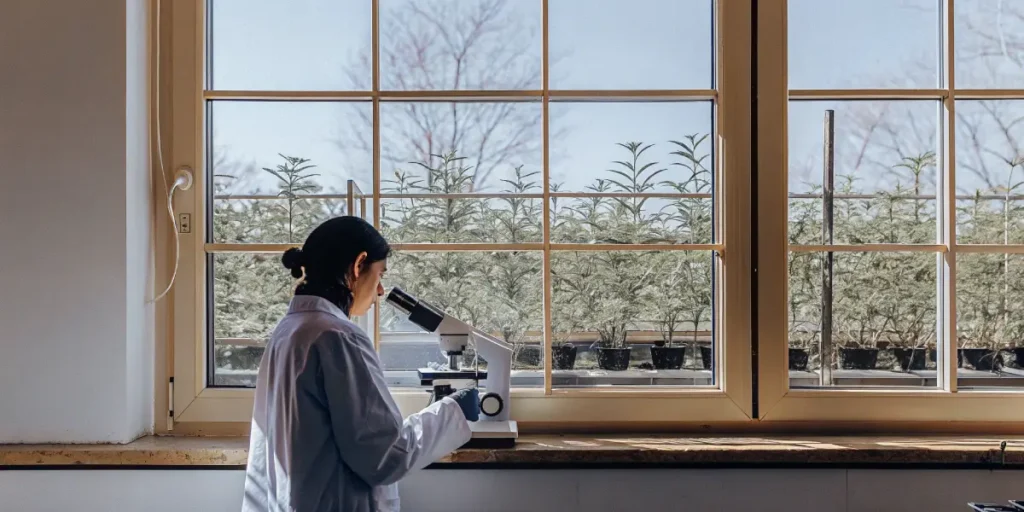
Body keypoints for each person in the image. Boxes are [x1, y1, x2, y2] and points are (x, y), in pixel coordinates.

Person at [242, 216, 477, 512]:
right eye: (380, 275)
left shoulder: (290, 330)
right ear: (358, 265)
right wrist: (452, 410)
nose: (380, 291)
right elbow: (384, 457)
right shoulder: (338, 337)